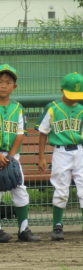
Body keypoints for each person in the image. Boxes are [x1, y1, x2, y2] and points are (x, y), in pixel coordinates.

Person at [0, 64, 40, 243]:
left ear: (14, 86)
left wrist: (11, 156)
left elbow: (20, 133)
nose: (4, 85)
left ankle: (23, 229)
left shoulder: (18, 108)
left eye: (8, 82)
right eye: (0, 81)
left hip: (12, 155)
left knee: (19, 189)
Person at [36, 72, 83, 241]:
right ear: (61, 89)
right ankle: (57, 225)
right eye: (71, 94)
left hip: (80, 150)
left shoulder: (81, 108)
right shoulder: (53, 107)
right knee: (61, 189)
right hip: (61, 152)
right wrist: (41, 157)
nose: (74, 99)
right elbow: (43, 132)